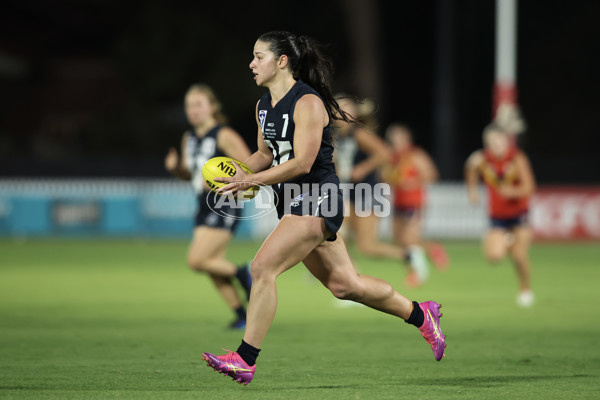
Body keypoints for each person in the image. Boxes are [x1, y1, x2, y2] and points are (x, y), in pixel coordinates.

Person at [201, 31, 446, 386]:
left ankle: (245, 359)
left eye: (259, 56)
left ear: (282, 61)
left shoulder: (308, 103)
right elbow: (266, 154)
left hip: (319, 198)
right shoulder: (263, 106)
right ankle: (421, 314)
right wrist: (238, 174)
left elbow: (303, 162)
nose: (252, 64)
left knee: (262, 267)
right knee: (346, 285)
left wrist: (252, 181)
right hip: (293, 202)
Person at [164, 83, 253, 329]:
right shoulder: (189, 138)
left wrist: (218, 179)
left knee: (197, 260)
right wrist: (175, 168)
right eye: (189, 106)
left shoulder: (224, 135)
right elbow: (189, 175)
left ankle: (246, 274)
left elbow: (249, 167)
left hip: (225, 202)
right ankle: (242, 315)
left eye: (198, 105)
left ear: (212, 107)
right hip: (202, 203)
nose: (193, 111)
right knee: (211, 263)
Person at [333, 97, 429, 287]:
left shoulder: (359, 134)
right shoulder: (337, 135)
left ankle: (410, 255)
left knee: (367, 247)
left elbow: (385, 153)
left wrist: (363, 168)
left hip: (368, 192)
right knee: (339, 239)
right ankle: (349, 282)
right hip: (350, 193)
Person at [464, 123, 536, 307]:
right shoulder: (482, 159)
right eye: (491, 141)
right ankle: (509, 240)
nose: (495, 144)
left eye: (499, 140)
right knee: (493, 257)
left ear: (506, 141)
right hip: (497, 216)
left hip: (519, 214)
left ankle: (525, 288)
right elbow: (470, 169)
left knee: (519, 256)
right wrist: (472, 191)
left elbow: (529, 187)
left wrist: (512, 192)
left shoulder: (517, 158)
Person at [382, 123, 450, 287]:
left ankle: (418, 273)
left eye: (399, 138)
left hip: (414, 202)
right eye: (393, 139)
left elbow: (432, 175)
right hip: (398, 203)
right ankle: (432, 247)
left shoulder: (416, 155)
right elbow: (386, 178)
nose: (396, 142)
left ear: (407, 139)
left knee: (410, 239)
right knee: (399, 241)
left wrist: (412, 182)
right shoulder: (392, 158)